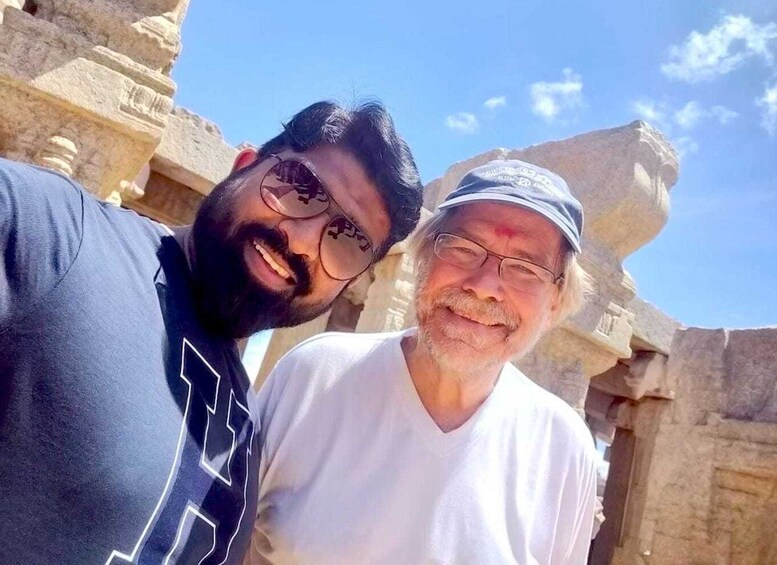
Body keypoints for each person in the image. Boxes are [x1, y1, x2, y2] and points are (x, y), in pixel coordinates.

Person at [0, 101, 423, 564]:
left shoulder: (246, 421)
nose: (304, 241)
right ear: (242, 166)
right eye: (301, 188)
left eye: (348, 241)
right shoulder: (52, 234)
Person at [250, 159, 598, 564]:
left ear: (555, 302)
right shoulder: (315, 375)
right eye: (464, 249)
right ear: (423, 258)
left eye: (525, 268)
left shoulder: (564, 448)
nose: (485, 287)